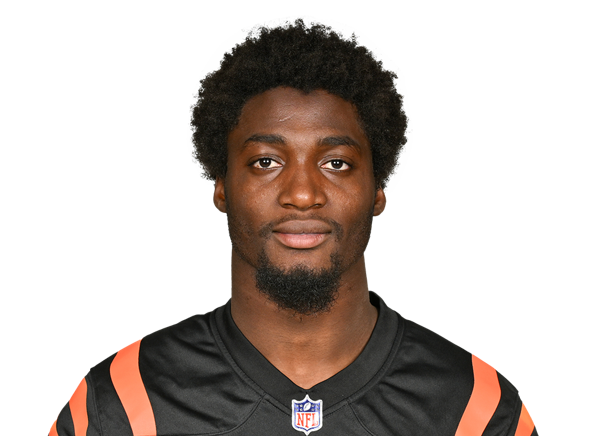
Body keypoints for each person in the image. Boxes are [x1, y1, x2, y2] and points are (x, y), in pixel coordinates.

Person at [49, 19, 537, 435]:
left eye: (336, 163)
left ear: (378, 189)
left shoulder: (474, 408)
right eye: (266, 161)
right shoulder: (123, 404)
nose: (302, 194)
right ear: (221, 187)